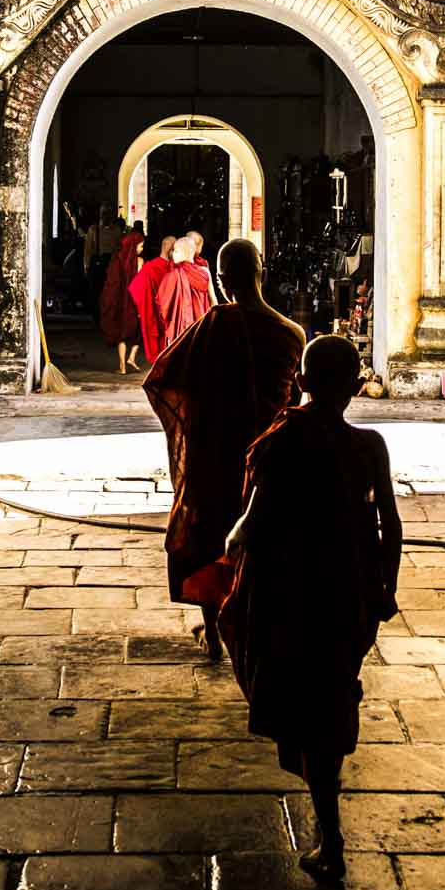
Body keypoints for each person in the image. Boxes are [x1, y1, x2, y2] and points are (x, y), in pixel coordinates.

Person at [218, 334, 402, 882]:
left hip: (295, 593)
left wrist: (232, 540)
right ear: (356, 387)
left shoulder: (282, 439)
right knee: (333, 693)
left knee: (306, 704)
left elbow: (250, 521)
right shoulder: (371, 446)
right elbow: (390, 526)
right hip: (350, 593)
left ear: (299, 384)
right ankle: (329, 821)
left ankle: (332, 834)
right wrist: (386, 588)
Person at [141, 239, 305, 663]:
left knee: (209, 537)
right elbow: (296, 401)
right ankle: (259, 623)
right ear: (261, 272)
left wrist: (193, 422)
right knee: (266, 541)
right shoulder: (292, 334)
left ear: (222, 280)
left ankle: (214, 632)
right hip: (271, 461)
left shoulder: (214, 325)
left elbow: (162, 378)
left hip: (217, 454)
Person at [98, 220, 146, 373]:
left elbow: (111, 283)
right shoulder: (140, 262)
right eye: (141, 246)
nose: (142, 249)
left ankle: (122, 366)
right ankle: (131, 358)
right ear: (133, 246)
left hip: (120, 301)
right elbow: (141, 283)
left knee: (121, 335)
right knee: (137, 333)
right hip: (134, 301)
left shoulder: (117, 260)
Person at [154, 234, 214, 348]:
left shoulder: (172, 275)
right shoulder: (204, 271)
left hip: (179, 326)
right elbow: (214, 301)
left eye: (176, 251)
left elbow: (163, 304)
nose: (173, 254)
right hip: (201, 323)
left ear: (187, 252)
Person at [129, 232, 178, 364]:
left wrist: (142, 309)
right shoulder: (174, 268)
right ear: (171, 249)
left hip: (155, 312)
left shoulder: (149, 267)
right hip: (168, 312)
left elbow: (135, 290)